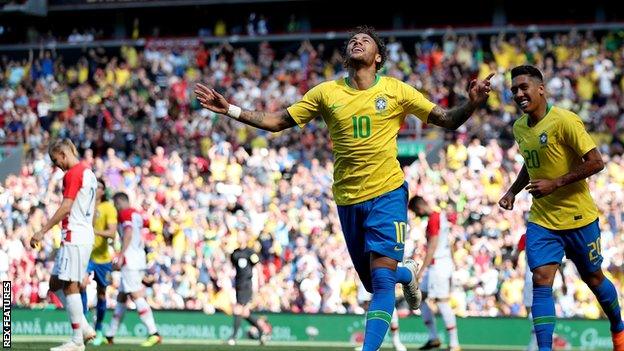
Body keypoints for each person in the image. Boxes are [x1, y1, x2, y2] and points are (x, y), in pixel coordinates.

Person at [195, 26, 493, 351]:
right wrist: (231, 110)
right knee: (375, 282)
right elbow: (278, 121)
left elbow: (447, 119)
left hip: (388, 192)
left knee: (380, 283)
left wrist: (472, 104)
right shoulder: (326, 93)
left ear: (378, 57)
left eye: (365, 41)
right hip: (348, 200)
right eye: (353, 40)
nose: (356, 42)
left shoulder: (396, 90)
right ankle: (406, 274)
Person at [499, 64, 624, 351]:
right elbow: (532, 164)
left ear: (540, 89)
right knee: (541, 279)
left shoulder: (565, 121)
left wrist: (556, 183)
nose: (518, 93)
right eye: (514, 89)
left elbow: (596, 162)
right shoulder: (520, 127)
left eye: (523, 87)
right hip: (543, 220)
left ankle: (618, 328)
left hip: (579, 217)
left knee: (593, 278)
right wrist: (512, 191)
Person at [30, 138, 98, 351]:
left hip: (75, 235)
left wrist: (42, 230)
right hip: (81, 233)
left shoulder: (73, 173)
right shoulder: (89, 173)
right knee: (55, 284)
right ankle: (84, 327)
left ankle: (77, 341)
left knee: (70, 285)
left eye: (55, 159)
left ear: (63, 153)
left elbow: (67, 206)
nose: (55, 164)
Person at [105, 192, 161, 347]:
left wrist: (121, 254)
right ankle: (110, 335)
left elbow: (128, 232)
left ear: (119, 202)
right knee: (122, 297)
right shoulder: (137, 214)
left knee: (136, 295)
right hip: (138, 257)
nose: (115, 208)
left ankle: (154, 332)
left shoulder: (124, 213)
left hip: (130, 260)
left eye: (115, 204)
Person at [408, 196, 460, 351]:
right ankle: (433, 338)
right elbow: (448, 242)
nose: (417, 215)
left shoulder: (433, 220)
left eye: (416, 211)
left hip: (438, 265)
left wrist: (421, 270)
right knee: (420, 297)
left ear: (420, 206)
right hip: (441, 264)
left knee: (442, 301)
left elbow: (432, 246)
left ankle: (454, 343)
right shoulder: (440, 216)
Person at [512, 234, 567, 351]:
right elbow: (560, 263)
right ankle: (545, 338)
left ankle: (539, 341)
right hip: (550, 280)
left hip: (532, 279)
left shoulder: (527, 236)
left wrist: (514, 264)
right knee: (539, 312)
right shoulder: (552, 236)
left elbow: (515, 255)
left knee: (531, 311)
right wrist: (563, 281)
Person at [80, 178, 117, 346]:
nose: (96, 189)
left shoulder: (108, 208)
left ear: (104, 190)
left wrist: (94, 231)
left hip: (103, 258)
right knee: (81, 284)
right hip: (87, 255)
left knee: (102, 293)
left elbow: (112, 233)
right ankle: (84, 324)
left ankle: (99, 328)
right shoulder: (85, 205)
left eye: (99, 187)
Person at [227, 233, 271, 345]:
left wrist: (261, 281)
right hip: (238, 284)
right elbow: (233, 267)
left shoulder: (250, 252)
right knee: (245, 312)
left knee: (238, 309)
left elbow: (258, 266)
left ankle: (233, 337)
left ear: (246, 238)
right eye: (238, 236)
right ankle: (262, 331)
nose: (239, 238)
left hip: (247, 284)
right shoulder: (235, 253)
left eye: (241, 236)